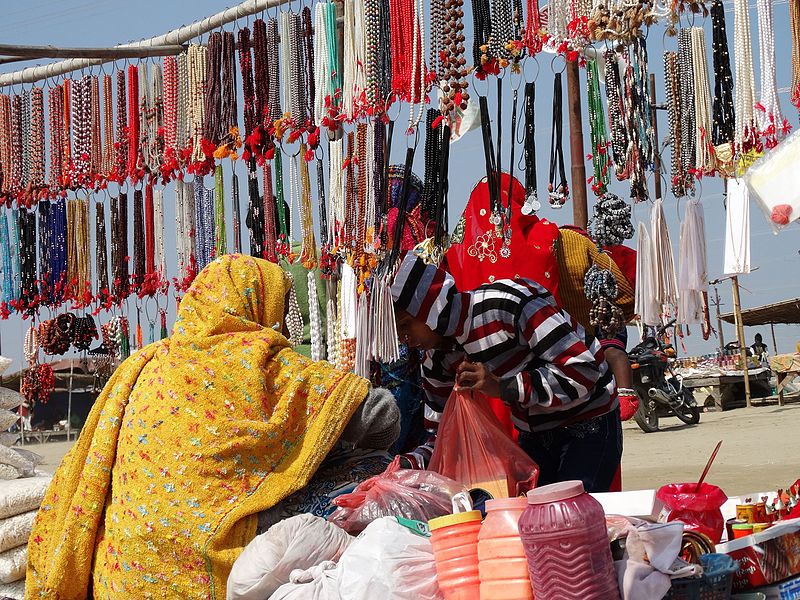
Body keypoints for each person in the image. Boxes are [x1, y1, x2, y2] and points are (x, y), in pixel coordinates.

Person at [26, 255, 399, 599]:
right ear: (259, 305)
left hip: (121, 576)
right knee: (372, 477)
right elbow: (382, 417)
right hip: (204, 574)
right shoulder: (259, 360)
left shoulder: (145, 364)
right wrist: (320, 443)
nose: (282, 321)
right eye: (282, 308)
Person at [391, 252, 622, 493]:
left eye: (406, 325)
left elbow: (582, 370)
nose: (404, 340)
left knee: (573, 513)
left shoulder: (506, 305)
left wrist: (503, 387)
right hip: (535, 434)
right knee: (536, 519)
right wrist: (411, 462)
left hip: (588, 421)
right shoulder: (436, 360)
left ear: (429, 307)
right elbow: (441, 434)